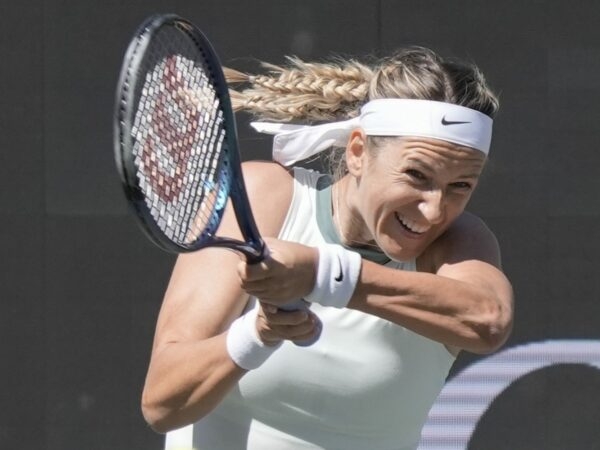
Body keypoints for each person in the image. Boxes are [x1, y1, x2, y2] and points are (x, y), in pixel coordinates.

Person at [141, 47, 514, 450]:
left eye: (460, 186)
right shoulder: (265, 197)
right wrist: (258, 333)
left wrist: (322, 274)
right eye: (416, 175)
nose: (434, 209)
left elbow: (486, 320)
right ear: (357, 153)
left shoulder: (459, 242)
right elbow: (163, 403)